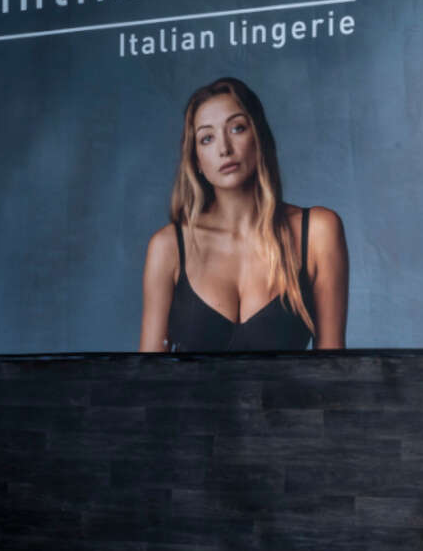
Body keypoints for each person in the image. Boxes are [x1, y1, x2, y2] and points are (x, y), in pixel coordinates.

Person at [139, 77, 349, 353]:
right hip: (186, 399)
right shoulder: (168, 247)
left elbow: (335, 367)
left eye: (237, 128)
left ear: (258, 135)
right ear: (197, 160)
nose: (224, 149)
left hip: (293, 398)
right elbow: (147, 379)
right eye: (207, 138)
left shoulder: (318, 232)